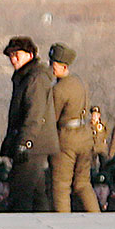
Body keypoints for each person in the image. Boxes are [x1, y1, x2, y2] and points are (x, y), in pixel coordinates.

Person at [0, 37, 51, 214]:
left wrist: (25, 142)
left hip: (34, 144)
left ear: (30, 55)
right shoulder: (24, 76)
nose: (13, 59)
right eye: (11, 55)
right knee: (37, 194)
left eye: (17, 55)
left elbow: (34, 114)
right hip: (30, 141)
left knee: (20, 193)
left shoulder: (35, 78)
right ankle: (43, 228)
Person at [48, 45, 100, 213]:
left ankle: (63, 224)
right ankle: (97, 217)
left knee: (61, 186)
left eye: (54, 64)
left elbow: (52, 118)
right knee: (83, 183)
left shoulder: (58, 89)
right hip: (84, 136)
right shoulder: (79, 82)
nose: (51, 67)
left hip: (66, 138)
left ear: (64, 66)